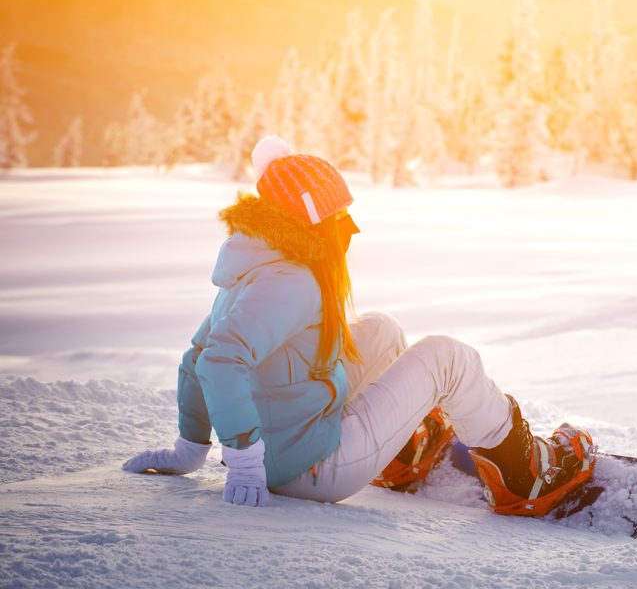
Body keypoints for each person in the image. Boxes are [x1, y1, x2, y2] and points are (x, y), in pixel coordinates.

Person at [123, 135, 595, 516]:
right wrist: (245, 463)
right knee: (447, 357)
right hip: (309, 466)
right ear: (309, 219)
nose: (349, 226)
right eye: (339, 215)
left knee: (380, 329)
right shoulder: (290, 281)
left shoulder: (255, 262)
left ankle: (403, 453)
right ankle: (523, 473)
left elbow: (195, 357)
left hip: (290, 439)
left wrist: (191, 449)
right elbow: (218, 362)